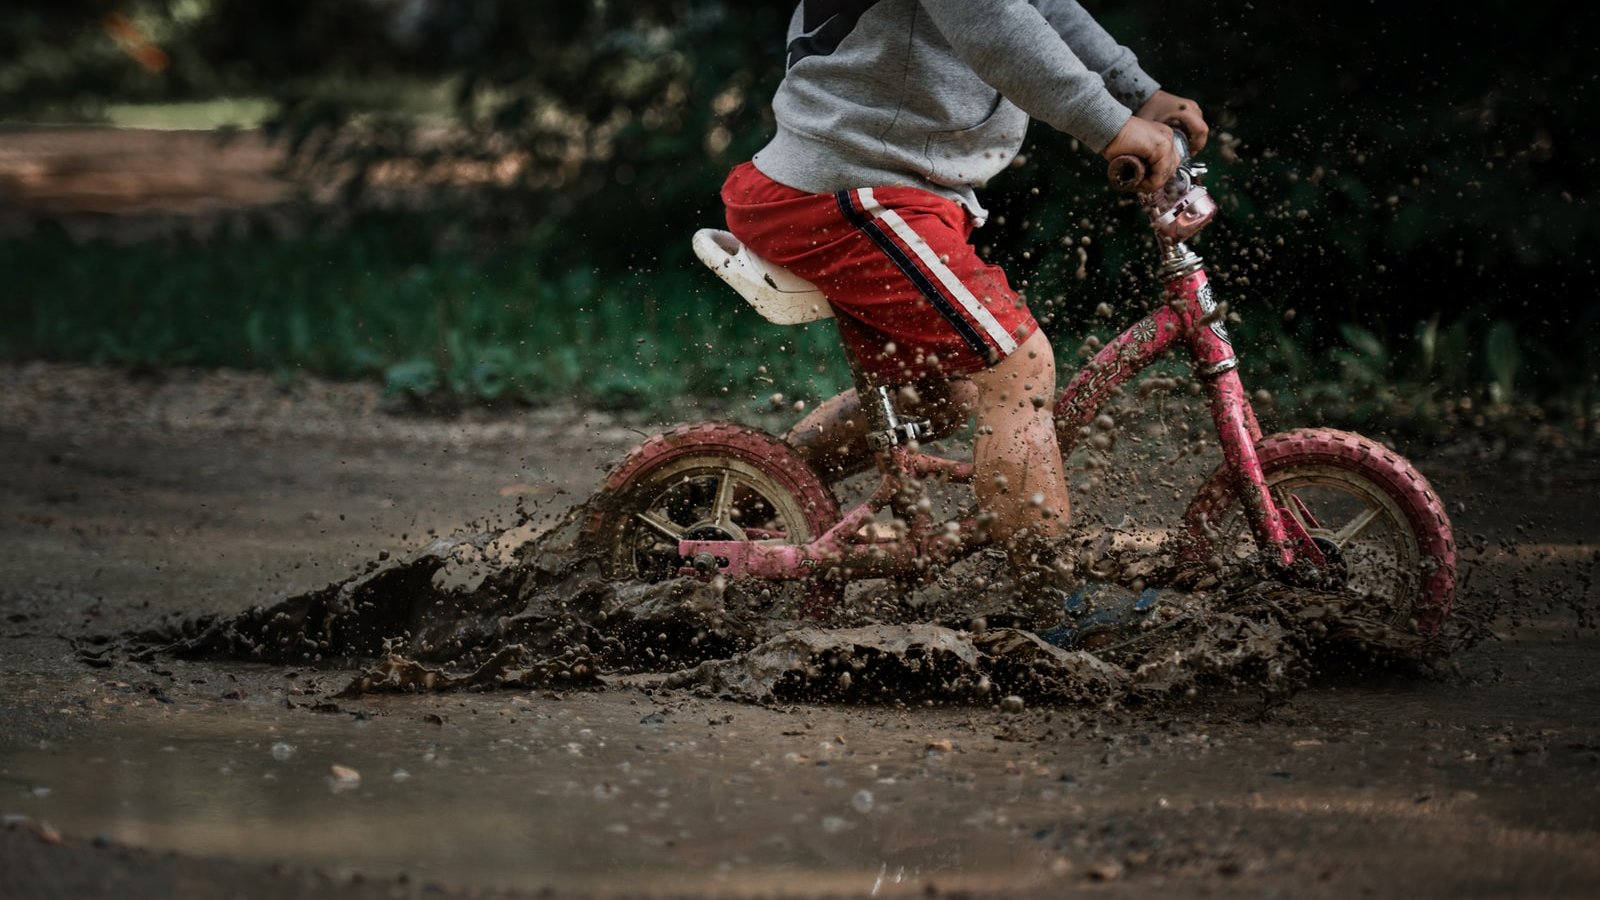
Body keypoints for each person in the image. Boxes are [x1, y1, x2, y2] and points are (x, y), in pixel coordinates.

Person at [720, 0, 1208, 627]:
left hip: (876, 182)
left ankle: (754, 491)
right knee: (1017, 367)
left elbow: (1042, 6)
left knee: (942, 393)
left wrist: (1135, 92)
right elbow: (996, 23)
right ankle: (1052, 607)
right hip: (850, 190)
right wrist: (1112, 125)